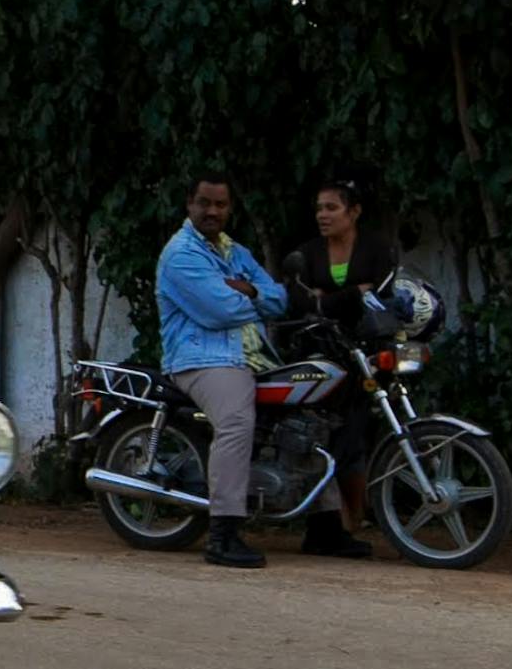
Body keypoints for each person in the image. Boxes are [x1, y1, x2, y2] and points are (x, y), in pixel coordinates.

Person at [157, 172, 288, 570]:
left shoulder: (236, 253)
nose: (212, 211)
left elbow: (279, 298)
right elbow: (220, 311)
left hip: (251, 357)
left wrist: (248, 289)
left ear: (229, 208)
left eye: (220, 204)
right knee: (235, 422)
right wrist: (252, 295)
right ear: (189, 204)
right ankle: (223, 532)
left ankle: (326, 524)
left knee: (306, 411)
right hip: (203, 359)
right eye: (205, 203)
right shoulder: (181, 254)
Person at [296, 180, 397, 558]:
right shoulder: (307, 253)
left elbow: (380, 295)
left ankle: (349, 522)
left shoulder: (377, 249)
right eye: (319, 207)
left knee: (355, 437)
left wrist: (331, 299)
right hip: (321, 355)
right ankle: (324, 525)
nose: (323, 215)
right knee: (321, 435)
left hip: (367, 354)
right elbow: (305, 303)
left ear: (353, 212)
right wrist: (353, 293)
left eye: (332, 208)